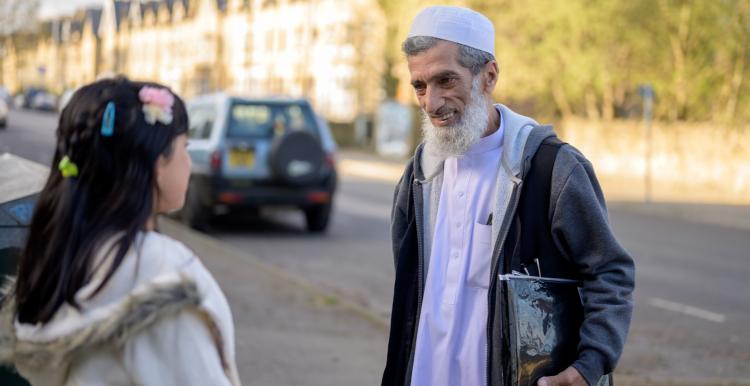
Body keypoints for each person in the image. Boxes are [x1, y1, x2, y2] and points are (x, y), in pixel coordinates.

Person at [382, 6, 635, 386]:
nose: (431, 103)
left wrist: (589, 367)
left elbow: (609, 272)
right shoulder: (419, 176)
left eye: (445, 80)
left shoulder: (553, 170)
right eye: (420, 85)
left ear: (489, 76)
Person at [0, 77, 241, 386]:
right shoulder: (165, 276)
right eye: (185, 146)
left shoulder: (54, 249)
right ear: (157, 162)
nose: (189, 162)